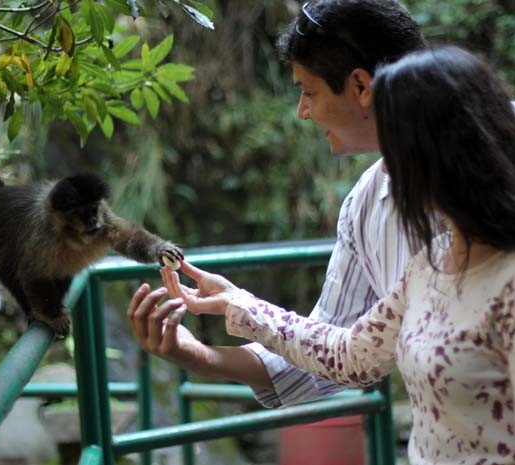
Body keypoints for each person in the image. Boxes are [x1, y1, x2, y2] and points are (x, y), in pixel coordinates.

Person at [155, 46, 515, 464]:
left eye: (397, 149)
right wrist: (239, 306)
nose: (387, 169)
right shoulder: (431, 263)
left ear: (441, 155)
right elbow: (350, 355)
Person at [128, 0, 427, 406]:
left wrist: (246, 309)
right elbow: (332, 349)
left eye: (309, 91)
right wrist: (195, 353)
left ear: (360, 87)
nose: (303, 112)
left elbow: (354, 356)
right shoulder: (364, 205)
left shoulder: (493, 157)